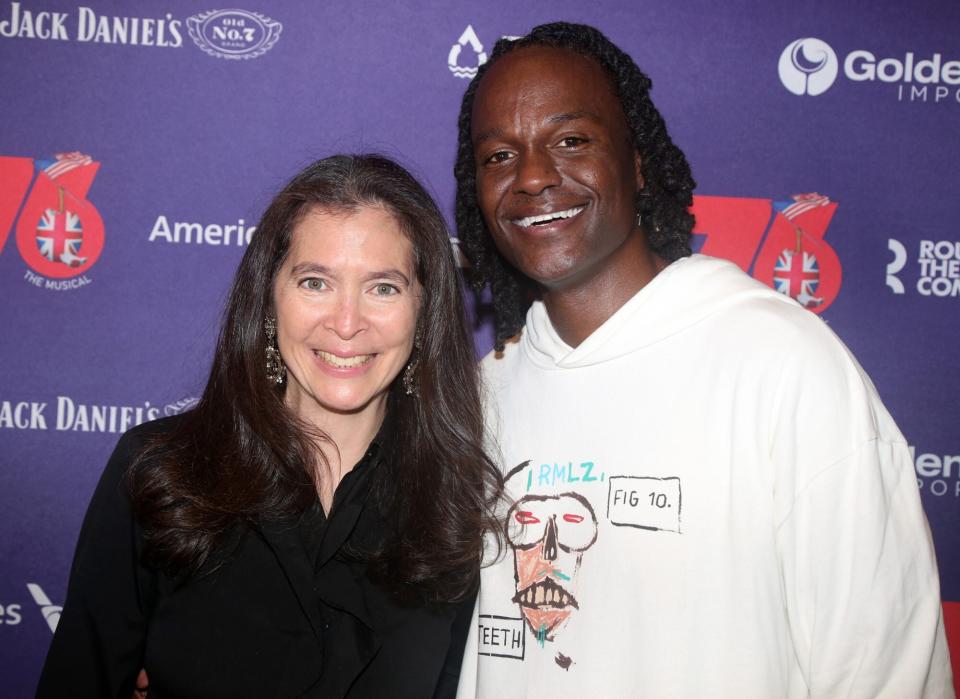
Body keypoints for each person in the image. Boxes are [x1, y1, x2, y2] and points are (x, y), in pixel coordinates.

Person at [453, 22, 953, 698]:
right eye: (499, 156)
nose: (533, 175)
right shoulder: (478, 399)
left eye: (571, 140)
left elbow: (884, 671)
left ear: (636, 162)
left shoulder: (782, 366)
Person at [36, 154, 502, 698]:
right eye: (314, 282)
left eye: (383, 288)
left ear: (424, 313)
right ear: (268, 300)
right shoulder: (161, 473)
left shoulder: (455, 509)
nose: (347, 322)